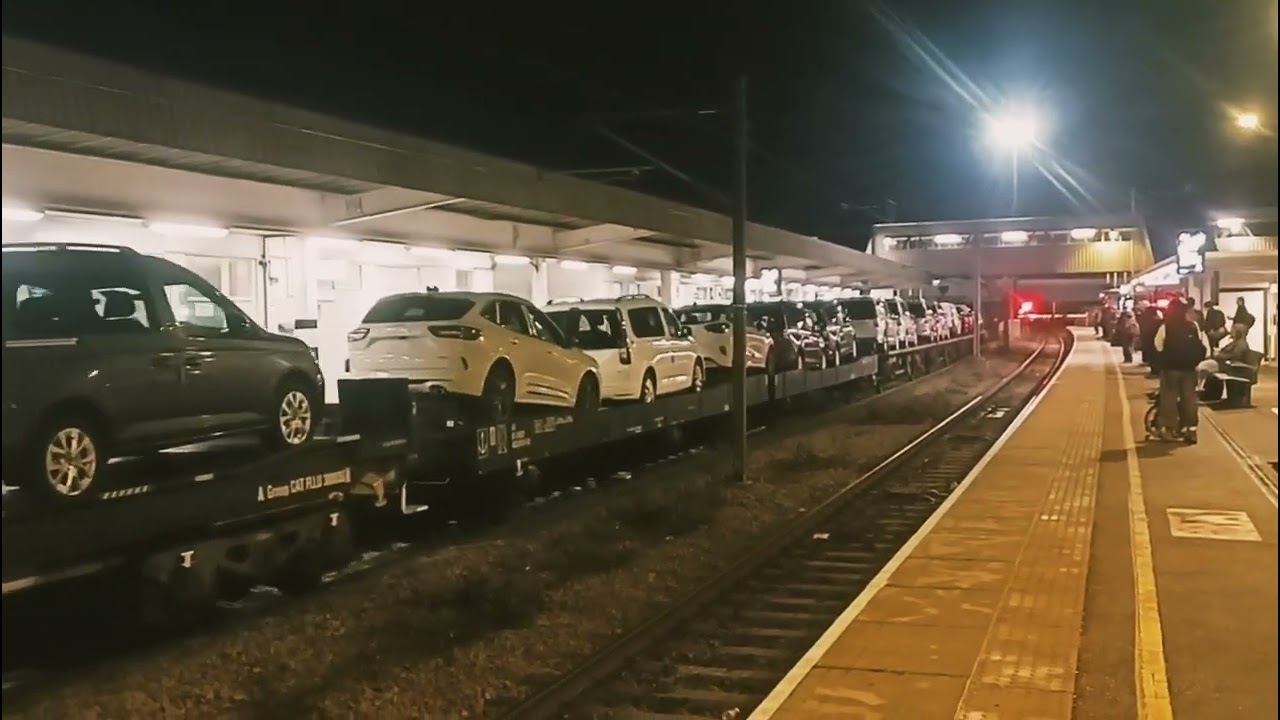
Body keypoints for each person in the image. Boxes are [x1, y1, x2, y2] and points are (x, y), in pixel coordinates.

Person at [1154, 299, 1207, 443]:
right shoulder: (1193, 326)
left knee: (1169, 399)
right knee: (1189, 399)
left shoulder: (1166, 327)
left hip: (1170, 369)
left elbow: (1158, 345)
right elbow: (1203, 346)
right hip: (1189, 369)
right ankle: (1190, 430)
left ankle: (1169, 429)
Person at [1196, 325, 1252, 400]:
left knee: (1201, 367)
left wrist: (1218, 355)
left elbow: (1234, 356)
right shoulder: (1236, 342)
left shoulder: (1241, 344)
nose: (1231, 332)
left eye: (1233, 330)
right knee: (1202, 366)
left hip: (1227, 366)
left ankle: (1199, 387)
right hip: (1222, 363)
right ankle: (1200, 387)